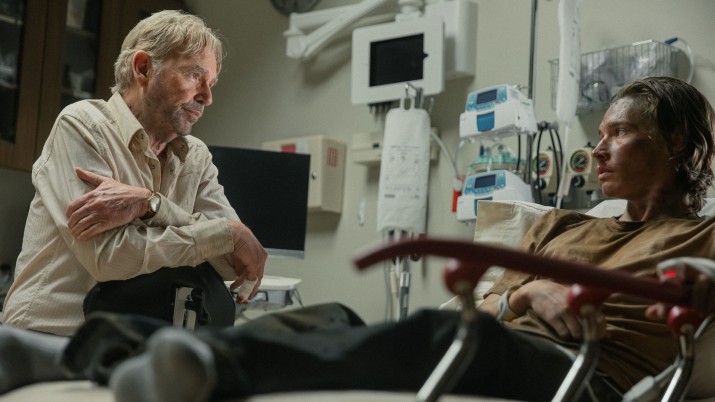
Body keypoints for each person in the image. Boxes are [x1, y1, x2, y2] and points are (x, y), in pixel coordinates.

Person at [0, 79, 712, 399]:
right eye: (598, 134)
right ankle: (86, 354)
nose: (596, 149)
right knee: (336, 316)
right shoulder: (562, 225)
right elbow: (498, 301)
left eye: (620, 133)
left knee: (446, 334)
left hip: (589, 377)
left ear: (676, 139)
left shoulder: (706, 236)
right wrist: (525, 293)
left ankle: (211, 368)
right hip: (511, 342)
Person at [1, 9, 267, 337]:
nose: (207, 97)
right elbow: (108, 258)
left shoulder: (195, 157)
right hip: (47, 340)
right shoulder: (83, 125)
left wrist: (152, 205)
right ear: (143, 68)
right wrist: (219, 234)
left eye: (211, 83)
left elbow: (230, 261)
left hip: (125, 343)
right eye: (195, 76)